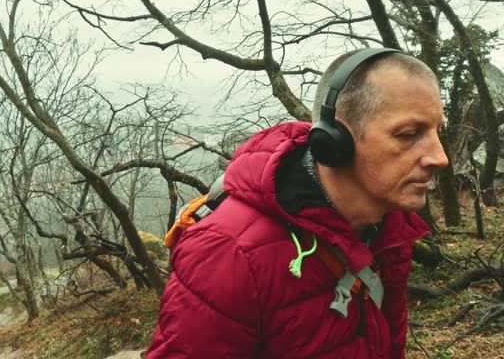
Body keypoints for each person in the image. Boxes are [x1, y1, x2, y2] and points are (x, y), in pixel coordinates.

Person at [146, 48, 448, 359]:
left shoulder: (389, 229)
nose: (440, 157)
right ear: (334, 141)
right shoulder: (231, 253)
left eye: (438, 131)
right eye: (409, 134)